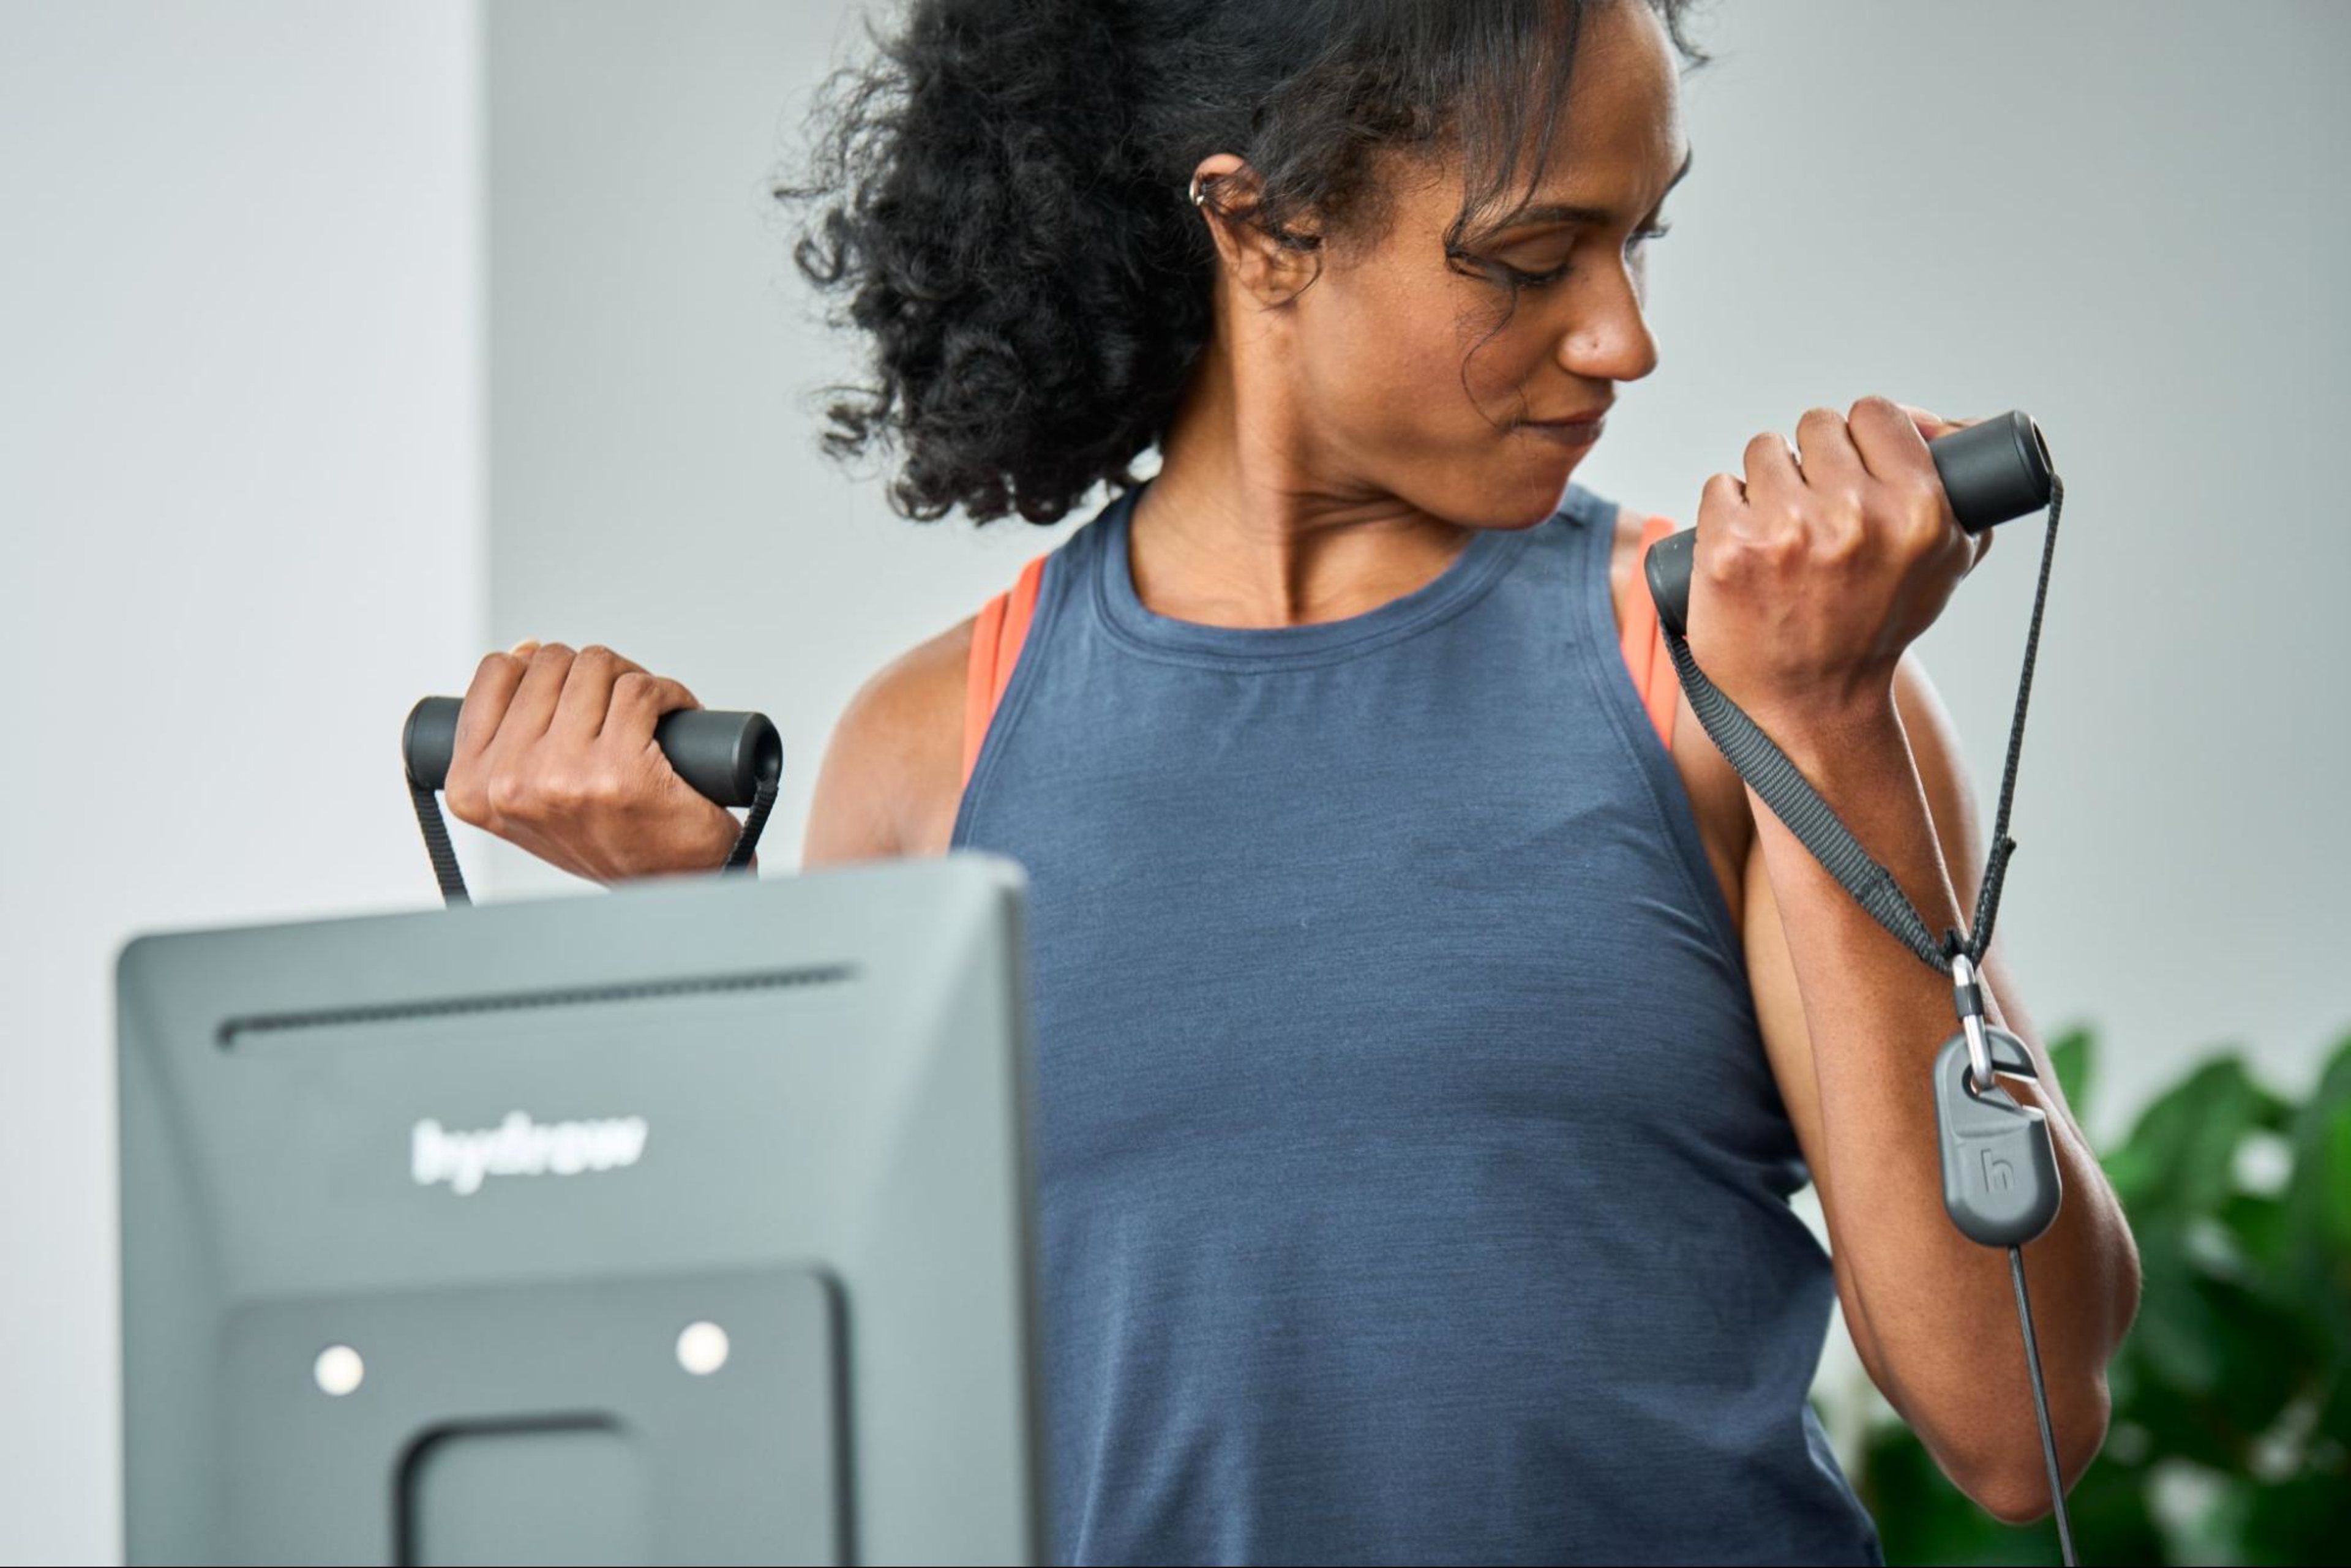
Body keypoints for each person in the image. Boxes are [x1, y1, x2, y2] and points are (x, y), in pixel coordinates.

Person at [443, 1, 2142, 1560]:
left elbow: (2022, 1419)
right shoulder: (933, 755)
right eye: (1534, 257)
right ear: (1258, 228)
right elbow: (860, 1422)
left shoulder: (1727, 677)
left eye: (1638, 239)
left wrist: (1837, 715)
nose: (1623, 339)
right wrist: (683, 928)